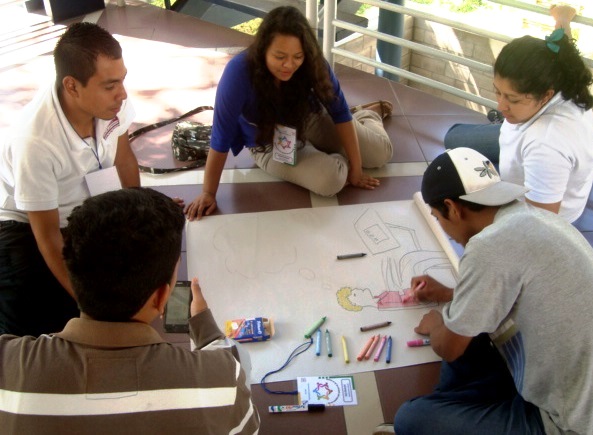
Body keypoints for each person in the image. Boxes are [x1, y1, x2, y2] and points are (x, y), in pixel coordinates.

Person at [390, 148, 593, 434]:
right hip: (591, 387)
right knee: (471, 336)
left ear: (452, 207)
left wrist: (438, 323)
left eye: (437, 217)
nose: (444, 228)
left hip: (574, 425)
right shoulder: (538, 220)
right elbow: (512, 286)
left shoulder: (488, 246)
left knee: (412, 419)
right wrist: (451, 294)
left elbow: (447, 348)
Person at [0, 187, 260, 434]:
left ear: (72, 273)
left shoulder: (6, 362)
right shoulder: (222, 379)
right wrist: (209, 336)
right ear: (160, 297)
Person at [185, 6, 393, 219]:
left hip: (311, 118)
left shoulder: (313, 62)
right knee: (331, 181)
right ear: (263, 49)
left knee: (380, 154)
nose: (289, 65)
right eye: (280, 56)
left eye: (297, 57)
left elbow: (339, 113)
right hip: (267, 142)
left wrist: (357, 170)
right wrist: (208, 193)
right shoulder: (237, 73)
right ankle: (332, 152)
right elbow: (220, 138)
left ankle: (367, 115)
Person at [0, 22, 139, 336]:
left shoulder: (112, 102)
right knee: (39, 327)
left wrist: (140, 212)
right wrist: (88, 304)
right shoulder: (35, 141)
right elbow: (48, 236)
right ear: (72, 86)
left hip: (83, 206)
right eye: (109, 85)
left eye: (123, 80)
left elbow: (124, 156)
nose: (123, 94)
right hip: (25, 221)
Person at [443, 5, 593, 223]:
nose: (501, 105)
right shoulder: (565, 76)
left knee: (462, 160)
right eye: (498, 92)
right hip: (518, 131)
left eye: (513, 99)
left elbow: (541, 223)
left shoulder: (545, 145)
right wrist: (562, 18)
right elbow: (563, 45)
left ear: (546, 96)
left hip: (545, 199)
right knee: (453, 137)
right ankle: (507, 131)